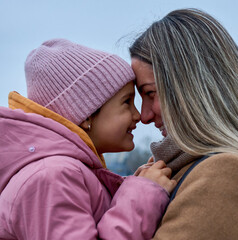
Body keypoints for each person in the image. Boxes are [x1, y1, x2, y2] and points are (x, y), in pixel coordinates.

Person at [130, 8, 238, 240]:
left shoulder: (227, 174)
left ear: (193, 88)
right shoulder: (183, 168)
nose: (144, 115)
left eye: (150, 93)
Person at [0, 38, 176, 240]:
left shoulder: (64, 172)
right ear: (86, 115)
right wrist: (143, 195)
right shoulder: (52, 177)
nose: (138, 115)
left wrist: (128, 189)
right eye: (126, 102)